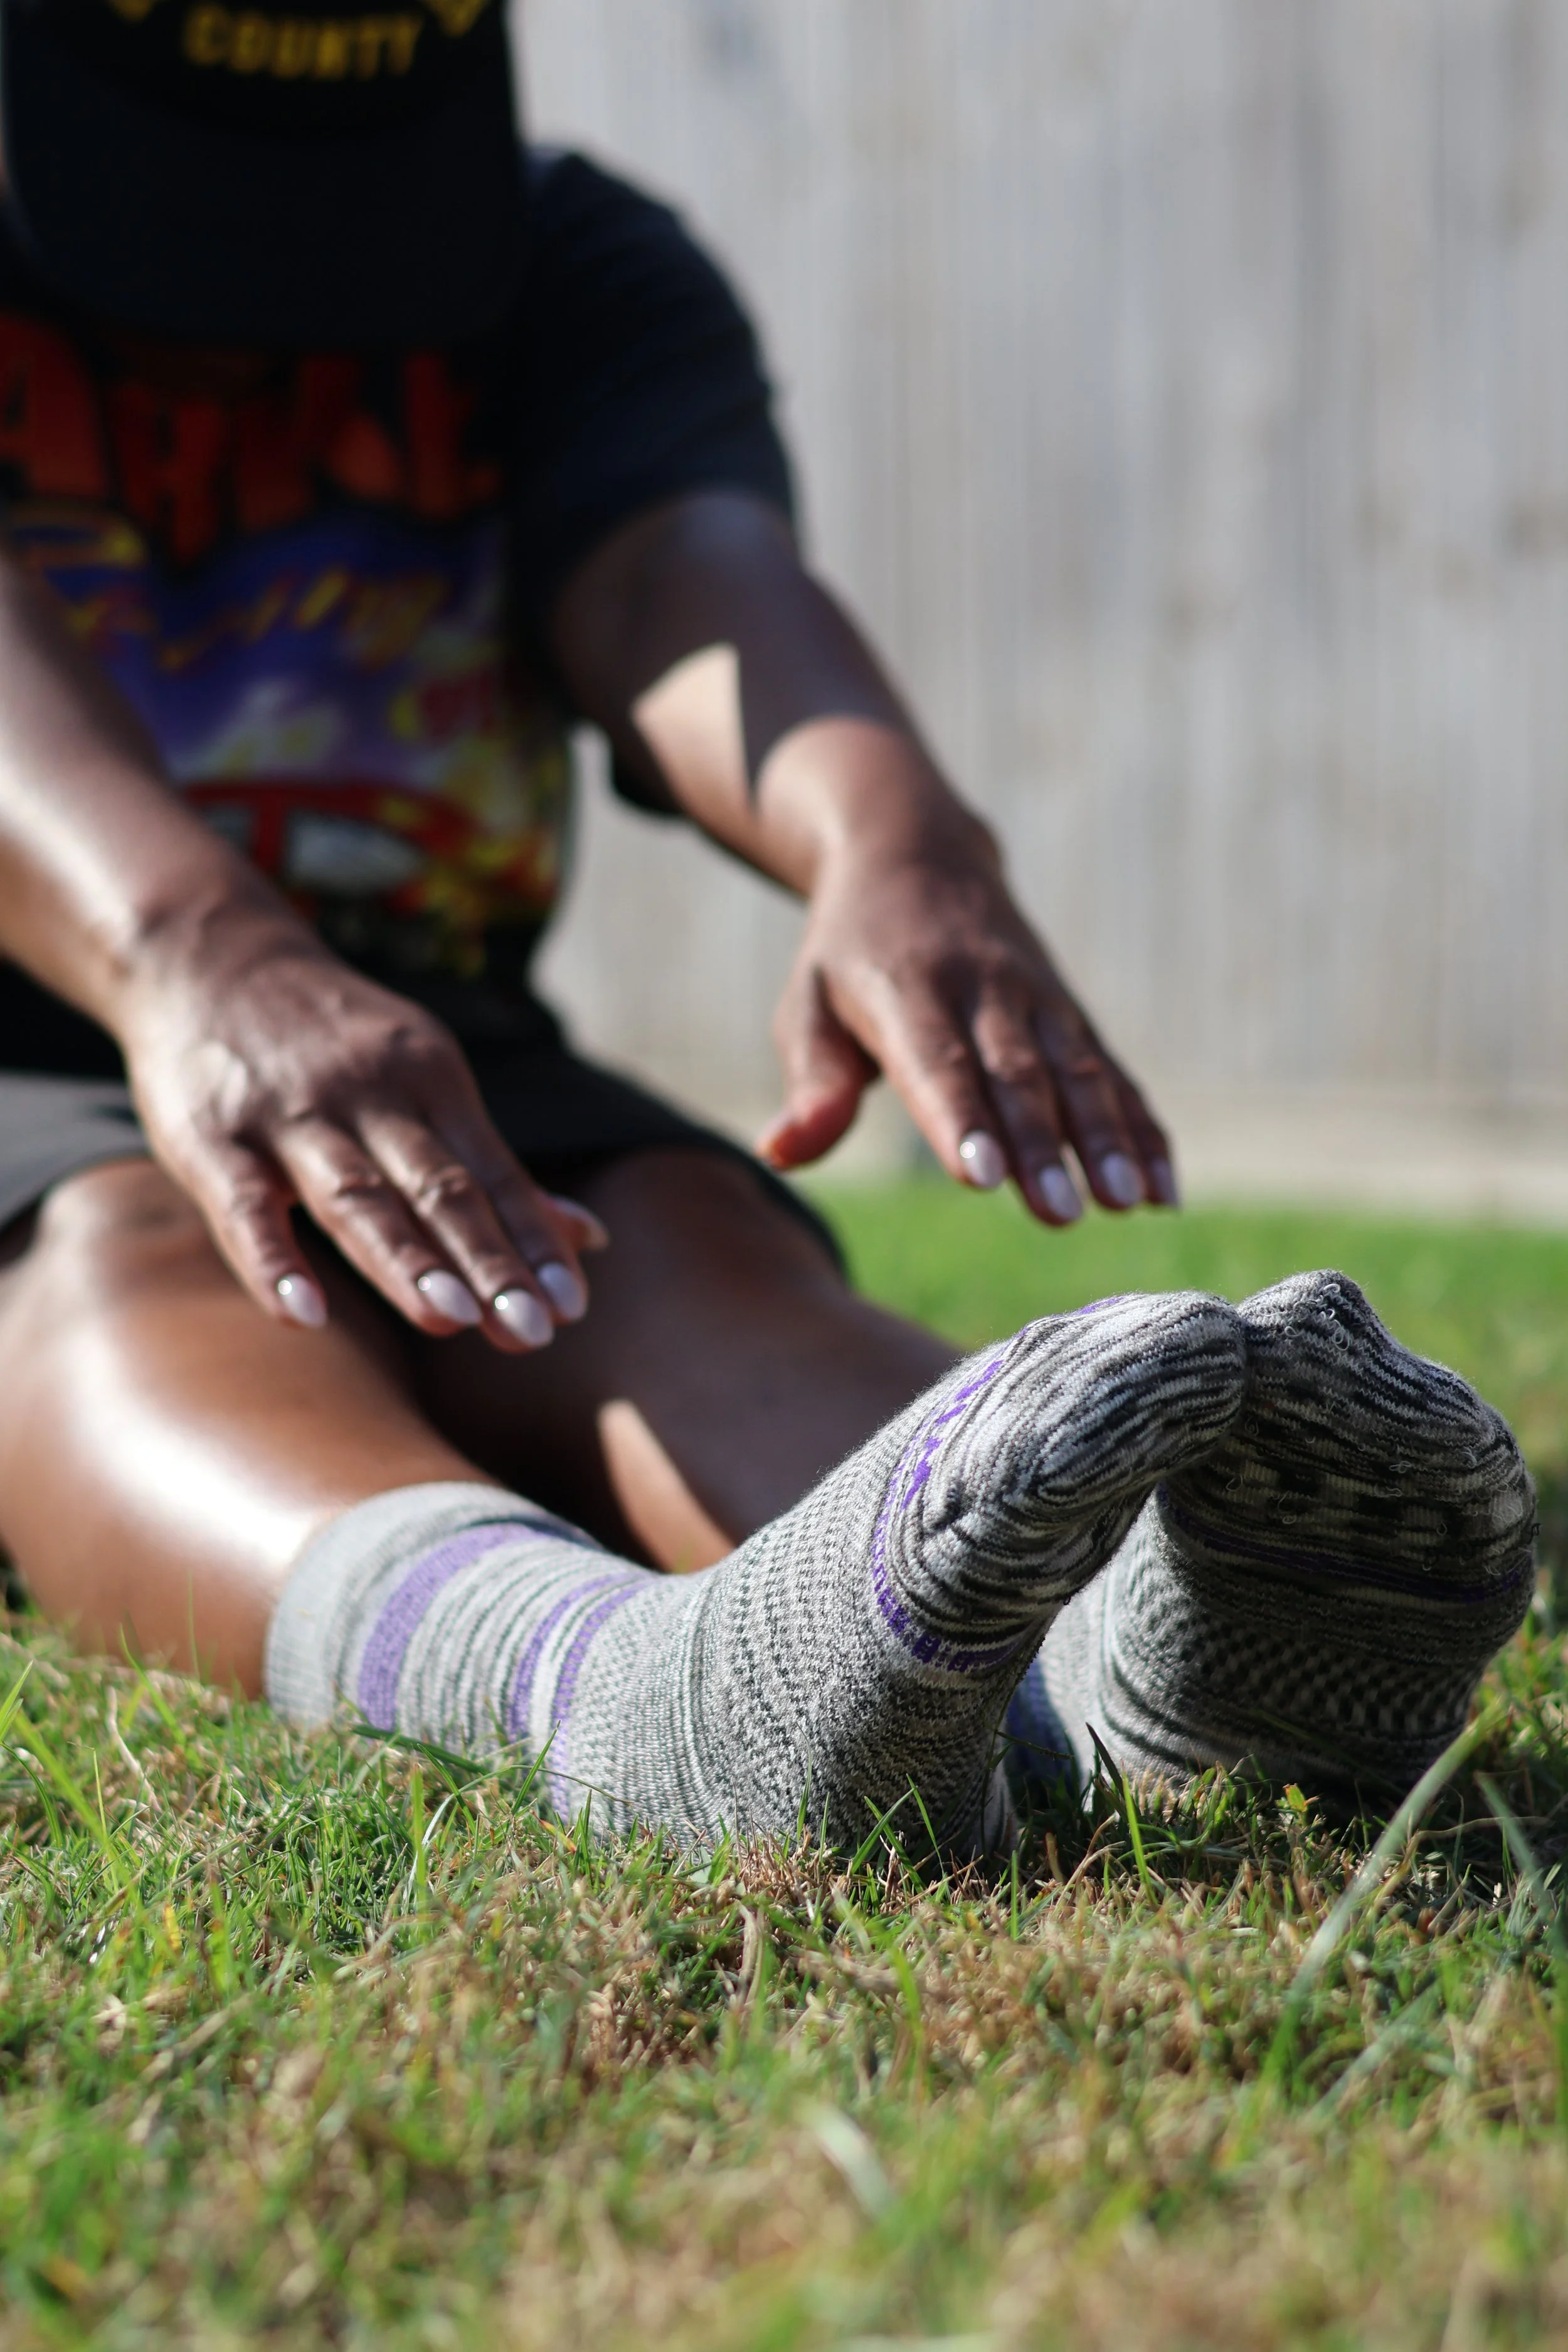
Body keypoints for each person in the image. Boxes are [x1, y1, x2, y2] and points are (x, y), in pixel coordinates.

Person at [0, 0, 1535, 1854]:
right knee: (125, 1249)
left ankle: (1137, 1665)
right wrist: (189, 951)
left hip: (436, 1037)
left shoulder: (561, 262)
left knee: (676, 1237)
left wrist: (889, 836)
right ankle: (613, 1692)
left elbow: (670, 572)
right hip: (34, 1044)